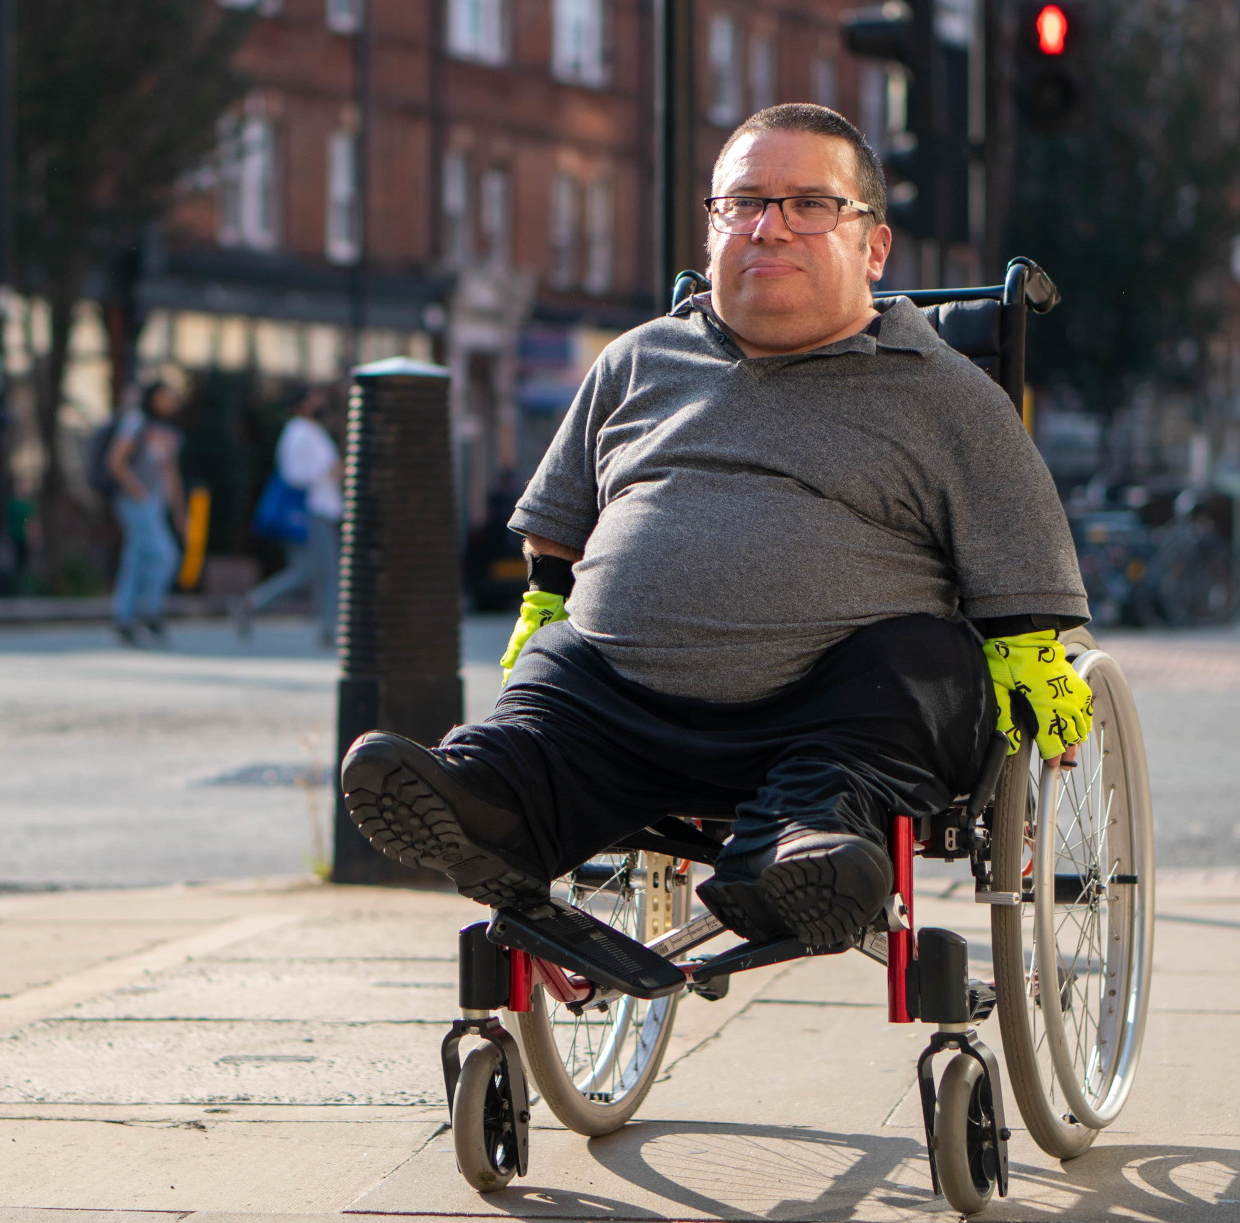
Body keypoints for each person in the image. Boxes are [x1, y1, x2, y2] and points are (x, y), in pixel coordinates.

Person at [340, 103, 1095, 953]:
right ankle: (487, 801)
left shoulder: (946, 391)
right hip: (617, 713)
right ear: (712, 234)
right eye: (743, 204)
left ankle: (796, 855)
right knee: (554, 674)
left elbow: (1022, 562)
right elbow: (557, 532)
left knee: (919, 658)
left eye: (810, 204)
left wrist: (1032, 659)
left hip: (832, 721)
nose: (769, 228)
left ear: (873, 247)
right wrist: (546, 606)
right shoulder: (637, 360)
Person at [243, 387, 344, 647]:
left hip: (322, 509)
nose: (319, 401)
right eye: (312, 398)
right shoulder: (299, 432)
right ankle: (329, 628)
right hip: (312, 510)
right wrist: (328, 472)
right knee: (324, 571)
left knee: (310, 571)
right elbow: (293, 473)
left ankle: (253, 603)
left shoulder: (311, 431)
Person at [107, 380, 189, 646]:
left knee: (137, 560)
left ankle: (125, 617)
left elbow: (171, 472)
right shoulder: (136, 422)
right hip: (137, 502)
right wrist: (139, 493)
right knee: (165, 556)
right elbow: (116, 460)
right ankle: (149, 612)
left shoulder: (167, 431)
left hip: (156, 503)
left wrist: (179, 511)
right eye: (166, 396)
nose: (171, 402)